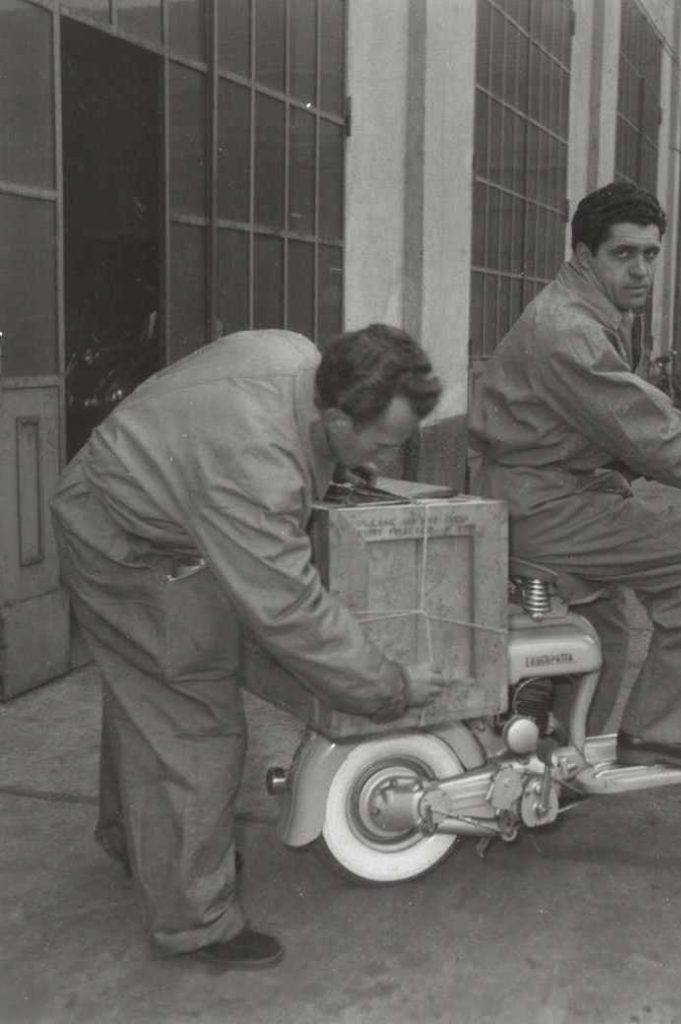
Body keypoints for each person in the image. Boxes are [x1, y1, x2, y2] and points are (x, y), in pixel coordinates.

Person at [51, 324, 449, 969]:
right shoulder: (257, 469)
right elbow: (288, 609)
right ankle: (195, 924)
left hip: (130, 495)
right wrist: (389, 686)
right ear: (336, 416)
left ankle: (138, 841)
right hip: (119, 541)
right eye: (382, 440)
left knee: (146, 693)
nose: (386, 456)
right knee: (193, 716)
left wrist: (340, 461)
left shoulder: (294, 354)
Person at [468, 181, 681, 770]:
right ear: (584, 256)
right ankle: (670, 732)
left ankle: (558, 765)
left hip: (540, 494)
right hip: (545, 504)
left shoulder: (589, 312)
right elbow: (655, 437)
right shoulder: (570, 330)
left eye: (650, 254)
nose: (641, 269)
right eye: (624, 254)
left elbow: (621, 421)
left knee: (606, 637)